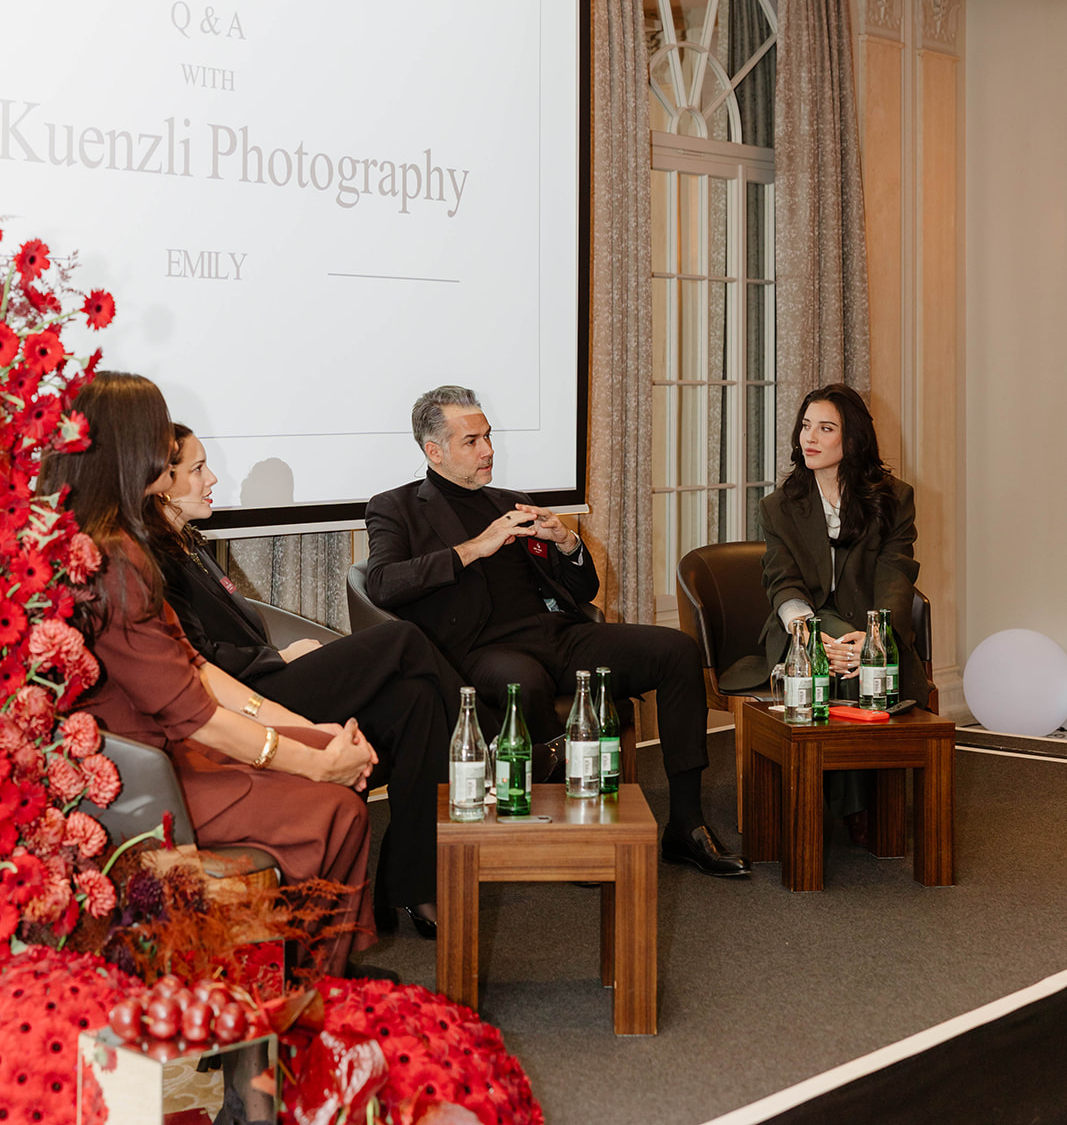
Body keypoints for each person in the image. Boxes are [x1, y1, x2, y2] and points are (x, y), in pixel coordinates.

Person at [40, 372, 376, 976]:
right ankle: (299, 983)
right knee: (338, 805)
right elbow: (190, 712)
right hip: (139, 780)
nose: (169, 465)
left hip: (164, 751)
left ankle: (306, 974)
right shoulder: (112, 558)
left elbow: (197, 670)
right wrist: (317, 761)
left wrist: (309, 731)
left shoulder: (108, 540)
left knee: (334, 777)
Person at [365, 384, 750, 879]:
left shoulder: (514, 501)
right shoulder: (395, 507)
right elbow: (381, 583)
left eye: (488, 437)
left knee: (676, 650)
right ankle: (564, 828)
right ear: (433, 450)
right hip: (480, 651)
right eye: (472, 442)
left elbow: (582, 588)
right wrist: (473, 548)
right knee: (521, 684)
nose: (488, 451)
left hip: (558, 636)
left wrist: (567, 542)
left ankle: (687, 825)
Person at [146, 424, 462, 940]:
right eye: (199, 469)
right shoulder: (153, 559)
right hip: (250, 700)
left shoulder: (189, 542)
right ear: (161, 480)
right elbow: (197, 659)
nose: (213, 478)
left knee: (417, 699)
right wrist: (277, 656)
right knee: (402, 639)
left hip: (269, 676)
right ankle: (496, 743)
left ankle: (408, 886)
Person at [758, 383, 929, 829]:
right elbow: (783, 581)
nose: (809, 438)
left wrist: (875, 638)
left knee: (860, 666)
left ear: (851, 440)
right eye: (805, 426)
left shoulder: (894, 499)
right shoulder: (779, 507)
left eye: (825, 428)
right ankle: (856, 812)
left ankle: (829, 807)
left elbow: (896, 574)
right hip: (803, 628)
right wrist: (811, 637)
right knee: (845, 668)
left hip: (869, 625)